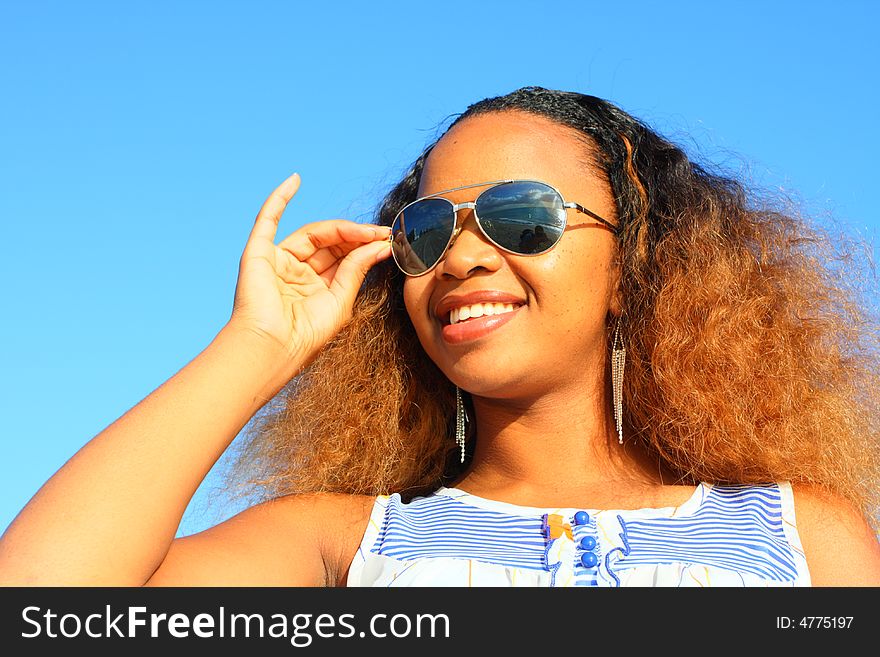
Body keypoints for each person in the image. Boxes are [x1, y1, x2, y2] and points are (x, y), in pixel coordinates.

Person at [2, 86, 879, 587]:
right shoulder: (344, 545)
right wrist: (259, 345)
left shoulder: (801, 536)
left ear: (633, 265)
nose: (461, 255)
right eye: (428, 229)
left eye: (520, 216)